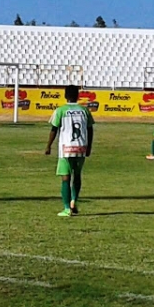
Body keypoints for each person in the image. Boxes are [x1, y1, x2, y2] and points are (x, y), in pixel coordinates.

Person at [45, 85, 94, 217]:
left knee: (65, 178)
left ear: (65, 96)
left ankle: (67, 209)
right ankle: (74, 201)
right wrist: (89, 146)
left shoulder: (60, 110)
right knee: (77, 175)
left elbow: (54, 129)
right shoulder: (84, 110)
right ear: (78, 96)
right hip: (81, 147)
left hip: (66, 148)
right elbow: (90, 129)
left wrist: (48, 146)